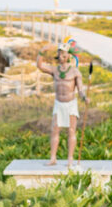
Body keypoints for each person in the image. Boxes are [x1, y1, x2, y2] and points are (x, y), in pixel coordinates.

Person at [35, 38, 87, 166]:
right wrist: (42, 52)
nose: (62, 57)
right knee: (55, 129)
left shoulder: (75, 72)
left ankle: (70, 159)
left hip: (70, 103)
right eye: (60, 54)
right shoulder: (55, 70)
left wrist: (84, 97)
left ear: (69, 56)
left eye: (64, 54)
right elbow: (40, 66)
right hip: (59, 103)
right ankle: (53, 158)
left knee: (71, 130)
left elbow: (80, 89)